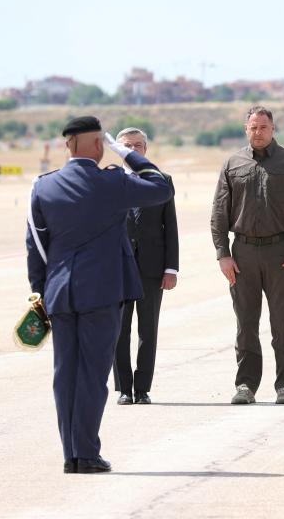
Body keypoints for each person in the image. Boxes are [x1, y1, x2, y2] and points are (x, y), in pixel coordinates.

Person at [25, 116, 172, 474]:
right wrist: (130, 156)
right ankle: (86, 453)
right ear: (97, 146)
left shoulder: (44, 187)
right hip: (101, 293)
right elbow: (160, 186)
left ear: (67, 145)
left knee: (65, 375)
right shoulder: (112, 182)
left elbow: (35, 246)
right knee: (92, 375)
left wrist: (39, 291)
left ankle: (70, 454)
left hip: (59, 293)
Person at [211, 106, 284, 405]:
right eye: (253, 127)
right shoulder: (233, 163)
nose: (258, 132)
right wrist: (222, 254)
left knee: (282, 323)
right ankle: (246, 385)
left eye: (263, 127)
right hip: (242, 254)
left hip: (281, 252)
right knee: (246, 324)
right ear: (246, 129)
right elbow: (218, 212)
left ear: (273, 129)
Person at [112, 127, 179, 406]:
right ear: (118, 149)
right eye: (128, 145)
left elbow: (171, 228)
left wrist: (171, 268)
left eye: (138, 145)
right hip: (117, 269)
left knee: (147, 329)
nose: (134, 150)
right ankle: (124, 389)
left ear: (146, 149)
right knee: (119, 330)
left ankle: (142, 389)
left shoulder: (162, 181)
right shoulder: (109, 181)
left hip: (153, 268)